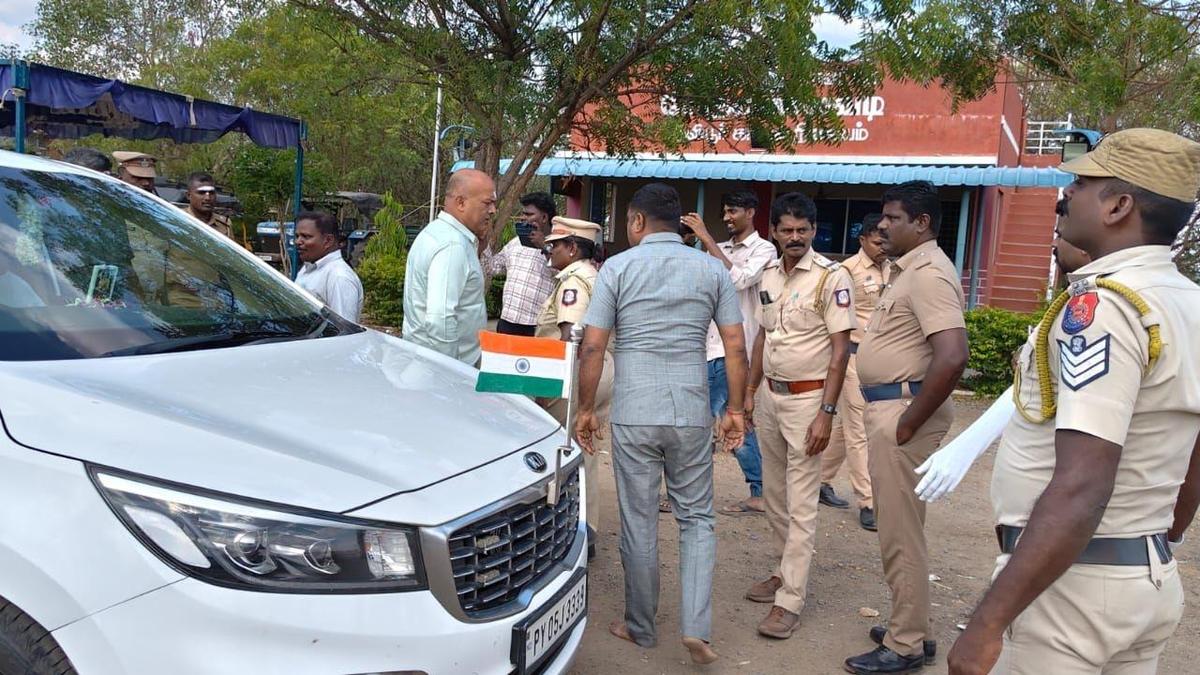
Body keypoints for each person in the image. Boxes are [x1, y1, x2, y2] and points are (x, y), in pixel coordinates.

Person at [948, 128, 1200, 675]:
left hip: (1072, 591)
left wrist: (987, 624)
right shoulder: (1186, 302)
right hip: (1147, 576)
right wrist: (1159, 536)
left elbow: (1082, 481)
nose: (1067, 193)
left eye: (1083, 182)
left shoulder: (1105, 307)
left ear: (1118, 206)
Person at [574, 182, 747, 666]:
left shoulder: (618, 269)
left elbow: (592, 345)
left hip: (635, 410)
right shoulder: (712, 270)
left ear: (636, 222)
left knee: (639, 519)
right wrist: (735, 410)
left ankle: (641, 625)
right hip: (691, 410)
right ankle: (697, 627)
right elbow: (735, 346)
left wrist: (586, 409)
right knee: (697, 519)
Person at [845, 180, 969, 675]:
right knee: (901, 530)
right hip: (891, 410)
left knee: (900, 534)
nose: (883, 225)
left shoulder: (928, 273)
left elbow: (953, 355)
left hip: (902, 413)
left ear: (922, 223)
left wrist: (907, 423)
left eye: (894, 218)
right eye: (883, 217)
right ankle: (909, 622)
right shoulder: (908, 270)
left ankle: (906, 643)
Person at [742, 191, 854, 639]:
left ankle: (790, 599)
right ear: (774, 232)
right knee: (773, 494)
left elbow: (841, 349)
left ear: (813, 231)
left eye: (802, 230)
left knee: (802, 501)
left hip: (810, 402)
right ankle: (782, 569)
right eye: (786, 230)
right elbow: (761, 338)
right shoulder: (767, 276)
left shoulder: (832, 277)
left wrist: (827, 412)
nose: (794, 237)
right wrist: (749, 393)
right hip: (770, 397)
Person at [913, 229, 1091, 505]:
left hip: (1060, 496)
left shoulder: (1098, 306)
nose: (1054, 244)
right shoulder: (1074, 299)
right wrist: (968, 444)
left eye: (1062, 233)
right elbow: (1033, 383)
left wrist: (969, 445)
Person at [681, 189, 777, 516]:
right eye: (724, 212)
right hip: (705, 349)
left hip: (734, 351)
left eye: (732, 211)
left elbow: (738, 280)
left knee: (724, 420)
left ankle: (759, 489)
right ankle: (753, 488)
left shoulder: (765, 250)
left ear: (751, 212)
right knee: (708, 422)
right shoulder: (718, 249)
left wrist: (705, 238)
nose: (726, 218)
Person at [536, 216, 611, 559]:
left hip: (575, 373)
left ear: (572, 248)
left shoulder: (574, 283)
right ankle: (587, 528)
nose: (549, 251)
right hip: (597, 371)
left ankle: (576, 532)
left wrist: (549, 386)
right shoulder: (594, 276)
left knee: (566, 452)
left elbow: (571, 338)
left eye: (555, 245)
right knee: (585, 451)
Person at [820, 213, 887, 531]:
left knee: (847, 426)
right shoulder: (848, 271)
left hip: (878, 359)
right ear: (862, 240)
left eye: (885, 241)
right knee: (860, 429)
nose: (882, 247)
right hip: (852, 359)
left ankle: (820, 479)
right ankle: (868, 501)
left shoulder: (890, 267)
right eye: (876, 242)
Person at [403, 169, 495, 366]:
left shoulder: (436, 232)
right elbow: (440, 319)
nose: (493, 210)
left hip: (426, 360)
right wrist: (451, 372)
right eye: (487, 203)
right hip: (444, 369)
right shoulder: (453, 246)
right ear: (461, 203)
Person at [484, 192, 556, 336]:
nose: (523, 218)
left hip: (537, 327)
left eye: (529, 214)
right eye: (523, 214)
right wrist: (483, 243)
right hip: (507, 322)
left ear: (544, 217)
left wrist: (545, 247)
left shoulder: (559, 244)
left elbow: (564, 275)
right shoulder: (516, 242)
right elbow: (493, 267)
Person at [295, 210, 364, 322]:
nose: (298, 241)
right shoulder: (307, 268)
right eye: (297, 236)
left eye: (306, 237)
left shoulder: (339, 277)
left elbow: (343, 330)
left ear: (328, 241)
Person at [183, 172, 234, 239]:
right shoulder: (178, 218)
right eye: (201, 193)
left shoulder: (224, 224)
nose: (208, 198)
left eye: (212, 193)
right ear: (188, 195)